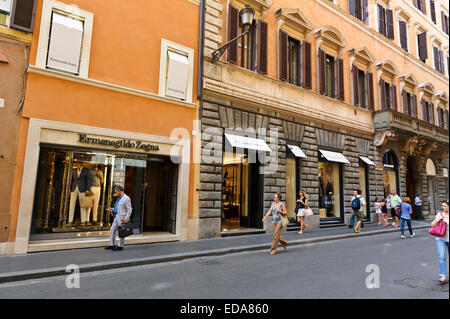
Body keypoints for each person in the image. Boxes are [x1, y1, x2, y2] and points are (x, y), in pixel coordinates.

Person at [105, 185, 132, 251]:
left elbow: (129, 209)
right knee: (112, 229)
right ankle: (112, 244)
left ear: (120, 191)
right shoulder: (119, 197)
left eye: (116, 192)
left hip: (122, 217)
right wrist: (112, 209)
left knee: (121, 231)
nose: (115, 193)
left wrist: (126, 218)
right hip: (117, 216)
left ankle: (120, 246)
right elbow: (119, 208)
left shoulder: (126, 198)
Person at [431, 201, 449, 284]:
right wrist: (438, 219)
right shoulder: (440, 214)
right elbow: (432, 225)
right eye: (443, 206)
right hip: (440, 238)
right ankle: (443, 276)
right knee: (441, 256)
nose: (443, 208)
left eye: (445, 206)